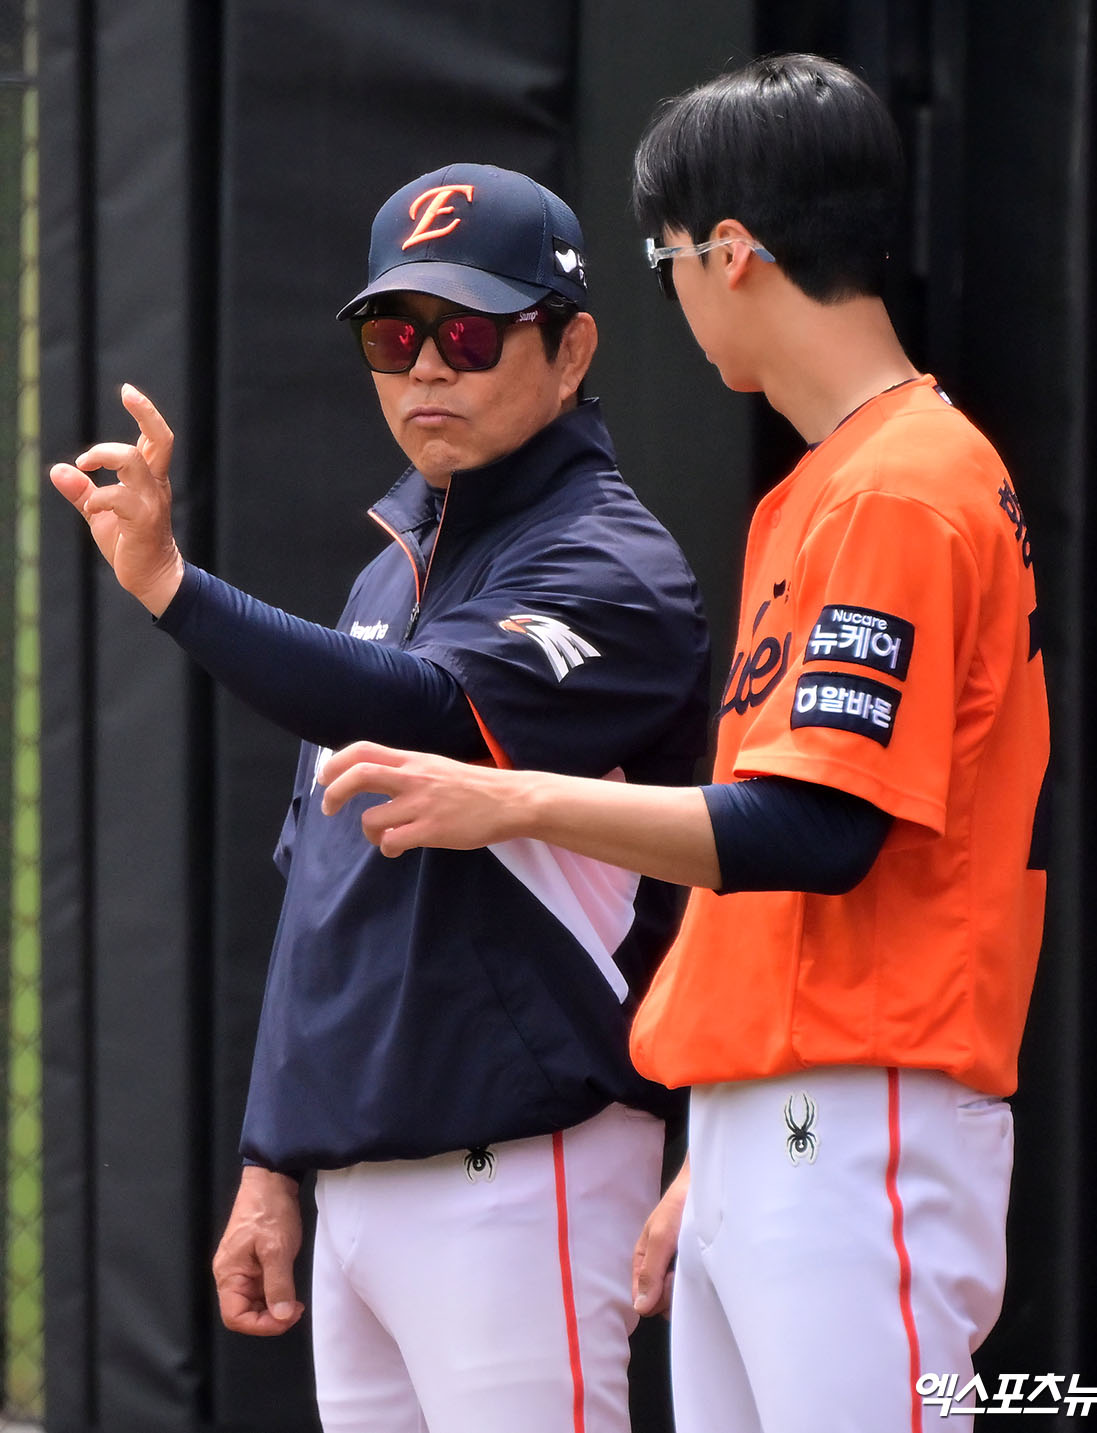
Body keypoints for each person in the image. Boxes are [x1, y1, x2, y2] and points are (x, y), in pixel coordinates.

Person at [318, 56, 1052, 1433]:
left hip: (864, 1101)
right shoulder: (825, 488)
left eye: (666, 263)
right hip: (779, 1107)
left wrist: (513, 800)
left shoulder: (904, 482)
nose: (676, 297)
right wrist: (715, 1145)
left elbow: (817, 832)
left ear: (734, 250)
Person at [49, 162, 710, 1433]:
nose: (426, 369)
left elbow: (424, 707)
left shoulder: (613, 562)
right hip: (356, 1183)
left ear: (571, 349)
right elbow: (320, 890)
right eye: (394, 336)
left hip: (526, 1162)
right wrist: (271, 1157)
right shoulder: (385, 578)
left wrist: (176, 586)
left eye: (470, 333)